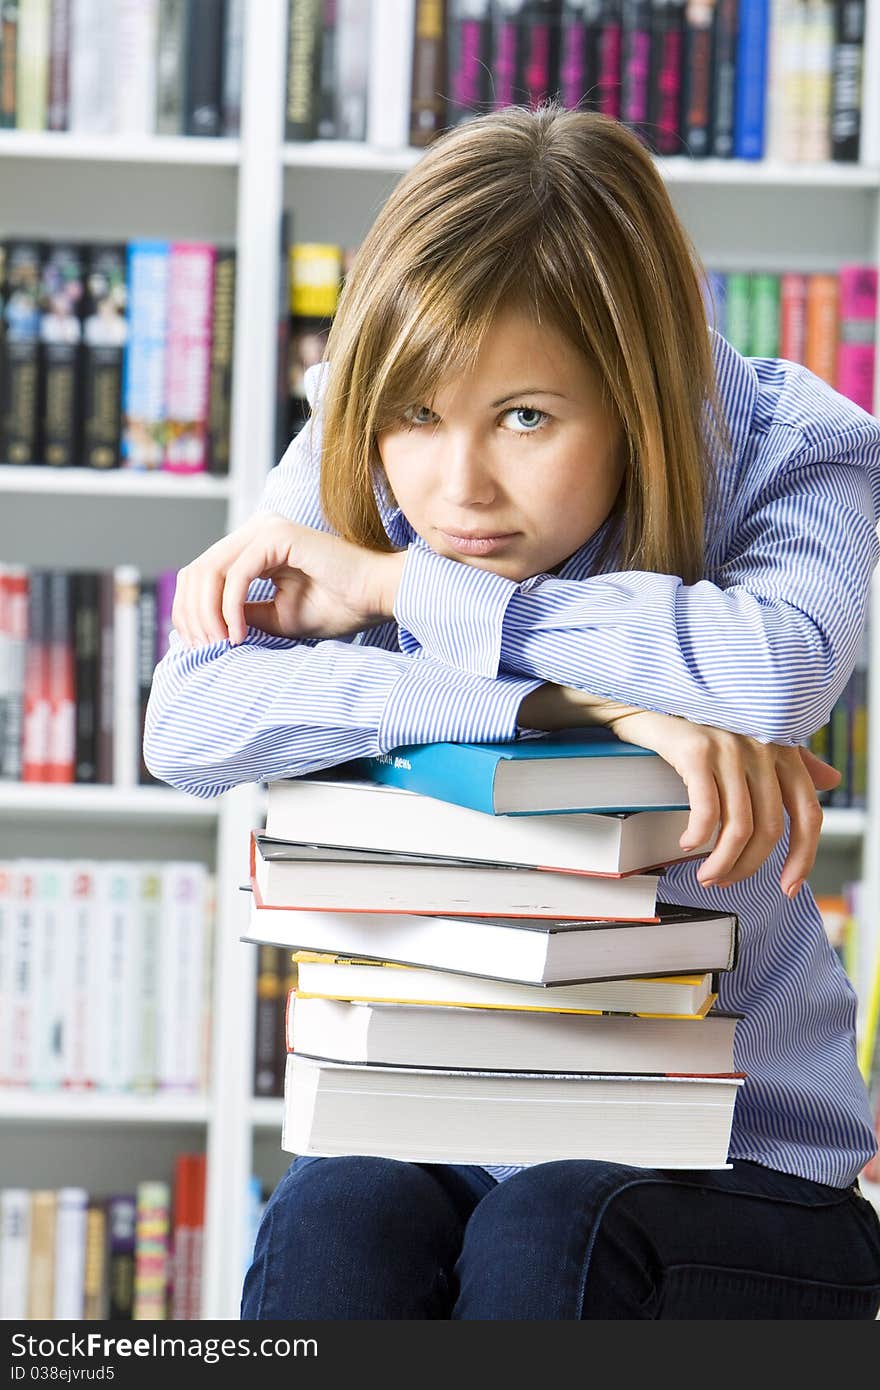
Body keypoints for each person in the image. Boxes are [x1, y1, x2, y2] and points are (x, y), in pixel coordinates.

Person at [144, 104, 880, 1320]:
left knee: (555, 1227)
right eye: (418, 418)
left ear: (638, 391)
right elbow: (193, 720)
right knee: (331, 1215)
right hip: (449, 1110)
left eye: (527, 418)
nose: (456, 486)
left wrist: (396, 585)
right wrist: (559, 705)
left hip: (738, 1152)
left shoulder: (796, 448)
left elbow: (771, 674)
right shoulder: (370, 434)